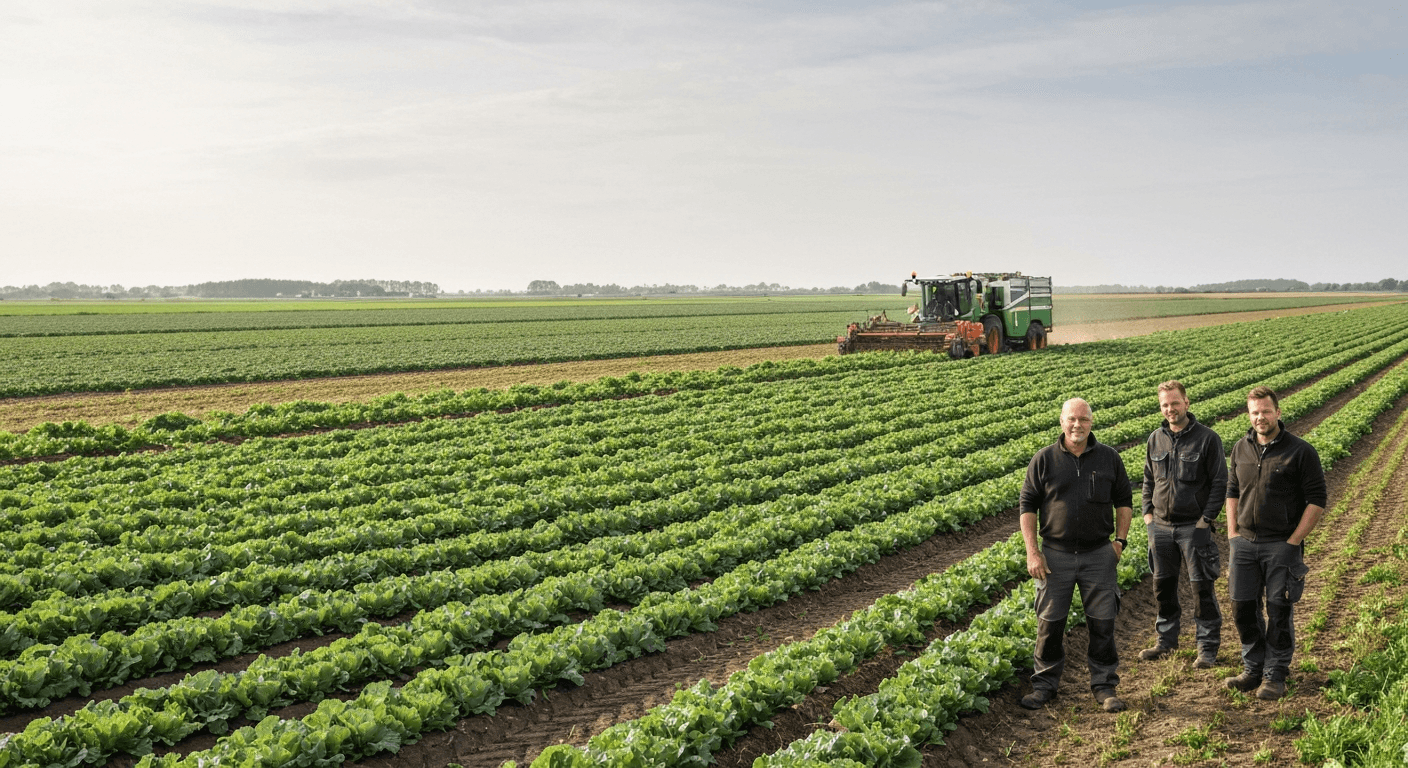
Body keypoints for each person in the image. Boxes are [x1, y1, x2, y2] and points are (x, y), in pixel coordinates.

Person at [1019, 397, 1134, 712]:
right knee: (1050, 623)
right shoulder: (1044, 460)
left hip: (1098, 554)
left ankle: (1104, 686)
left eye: (1083, 419)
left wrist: (1119, 542)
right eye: (1071, 419)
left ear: (1091, 422)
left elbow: (1124, 501)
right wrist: (1032, 552)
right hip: (1055, 555)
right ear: (1061, 422)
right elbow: (1027, 506)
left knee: (1102, 622)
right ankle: (1044, 686)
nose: (1077, 425)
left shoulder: (1109, 458)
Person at [1224, 386, 1327, 701]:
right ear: (1249, 415)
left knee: (1279, 609)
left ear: (1278, 413)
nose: (1260, 417)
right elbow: (1232, 491)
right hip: (1244, 544)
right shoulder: (1240, 448)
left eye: (1266, 411)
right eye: (1254, 412)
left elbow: (1317, 500)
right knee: (1242, 607)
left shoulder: (1300, 451)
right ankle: (1253, 668)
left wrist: (1294, 541)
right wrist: (1232, 534)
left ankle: (1275, 673)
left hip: (1281, 544)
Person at [1138, 381, 1228, 669]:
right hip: (1161, 528)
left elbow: (1220, 483)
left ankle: (1207, 647)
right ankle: (1166, 641)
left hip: (1193, 527)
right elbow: (1148, 480)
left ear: (1186, 403)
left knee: (1201, 588)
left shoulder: (1207, 439)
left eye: (1175, 403)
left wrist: (1205, 520)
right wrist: (1148, 516)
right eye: (1165, 405)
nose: (1170, 409)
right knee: (1162, 587)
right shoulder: (1155, 439)